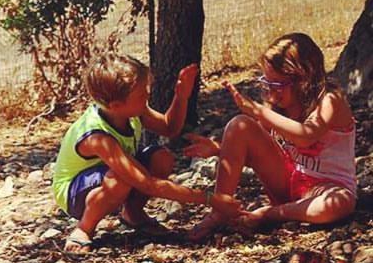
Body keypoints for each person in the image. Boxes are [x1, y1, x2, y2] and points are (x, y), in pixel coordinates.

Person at [52, 53, 241, 251]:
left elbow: (169, 128)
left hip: (105, 176)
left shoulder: (130, 110)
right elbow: (148, 184)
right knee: (121, 179)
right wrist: (210, 198)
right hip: (74, 193)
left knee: (161, 158)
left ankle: (133, 213)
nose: (148, 95)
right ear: (116, 105)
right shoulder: (97, 137)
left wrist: (181, 96)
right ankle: (85, 227)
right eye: (142, 94)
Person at [186, 32, 356, 241]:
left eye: (278, 85)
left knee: (341, 202)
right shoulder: (277, 105)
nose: (271, 93)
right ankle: (220, 210)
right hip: (287, 181)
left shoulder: (330, 99)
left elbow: (306, 136)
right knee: (239, 125)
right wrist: (220, 148)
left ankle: (271, 214)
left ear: (304, 79)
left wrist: (258, 111)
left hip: (326, 188)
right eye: (267, 83)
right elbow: (256, 148)